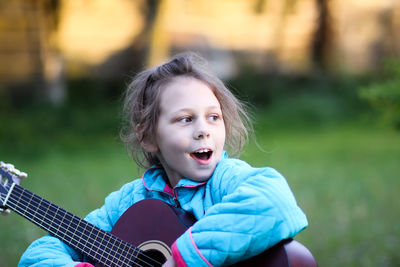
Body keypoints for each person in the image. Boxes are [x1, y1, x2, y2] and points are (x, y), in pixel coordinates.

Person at [19, 53, 308, 267]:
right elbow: (40, 253)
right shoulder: (128, 203)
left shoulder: (226, 180)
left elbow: (274, 201)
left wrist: (180, 259)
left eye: (213, 117)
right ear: (148, 137)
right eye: (185, 119)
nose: (203, 130)